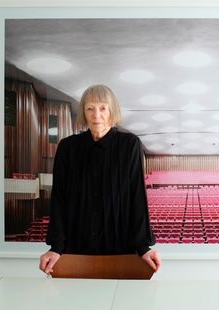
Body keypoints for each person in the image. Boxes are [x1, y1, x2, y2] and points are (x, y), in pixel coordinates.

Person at [39, 84, 161, 274]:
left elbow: (136, 196)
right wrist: (57, 247)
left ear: (112, 110)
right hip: (76, 247)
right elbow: (59, 199)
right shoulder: (67, 148)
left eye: (103, 108)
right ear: (84, 112)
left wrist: (142, 247)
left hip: (120, 246)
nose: (97, 115)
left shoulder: (130, 145)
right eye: (90, 108)